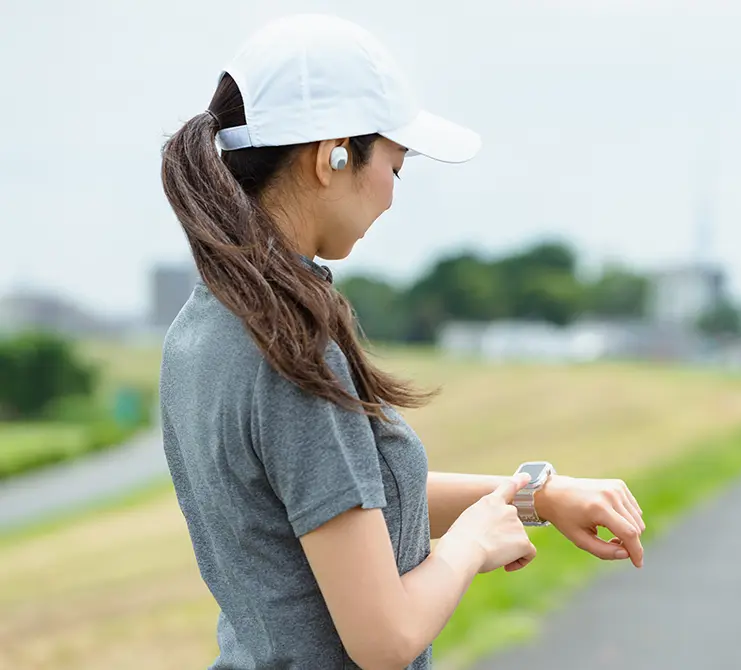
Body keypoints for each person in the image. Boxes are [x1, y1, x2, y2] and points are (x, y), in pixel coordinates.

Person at [159, 13, 646, 670]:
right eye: (395, 162)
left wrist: (536, 496)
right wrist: (470, 544)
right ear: (331, 155)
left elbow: (340, 501)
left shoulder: (205, 326)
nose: (392, 195)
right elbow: (384, 638)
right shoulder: (289, 350)